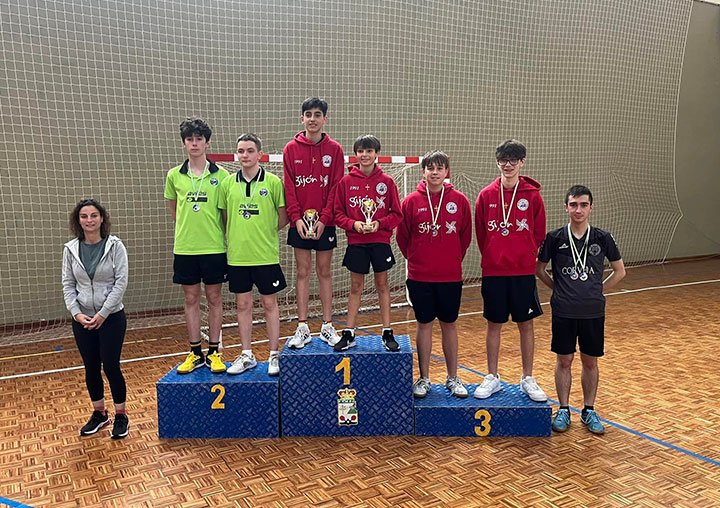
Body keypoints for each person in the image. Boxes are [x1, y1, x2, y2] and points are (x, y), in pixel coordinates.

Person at [536, 185, 625, 434]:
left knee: (590, 362)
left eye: (583, 204)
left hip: (593, 311)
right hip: (564, 310)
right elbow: (540, 270)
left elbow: (620, 271)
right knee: (564, 360)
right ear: (566, 207)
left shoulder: (602, 238)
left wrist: (598, 290)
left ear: (590, 208)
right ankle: (563, 409)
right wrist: (559, 289)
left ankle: (588, 410)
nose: (578, 209)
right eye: (573, 204)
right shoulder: (555, 239)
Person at [474, 139, 547, 402]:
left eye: (513, 160)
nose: (508, 165)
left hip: (522, 272)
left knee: (525, 325)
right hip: (494, 271)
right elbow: (481, 234)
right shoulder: (485, 195)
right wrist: (494, 256)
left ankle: (528, 377)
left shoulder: (532, 196)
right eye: (504, 160)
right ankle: (492, 376)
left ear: (522, 163)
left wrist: (523, 255)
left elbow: (539, 233)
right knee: (494, 325)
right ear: (497, 162)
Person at [397, 151, 472, 398]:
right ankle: (424, 378)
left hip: (450, 276)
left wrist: (451, 259)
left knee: (449, 325)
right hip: (420, 276)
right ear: (424, 172)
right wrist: (418, 259)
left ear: (447, 172)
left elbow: (465, 236)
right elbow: (402, 237)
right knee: (424, 324)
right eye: (431, 168)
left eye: (440, 168)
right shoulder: (410, 202)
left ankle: (453, 377)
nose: (435, 172)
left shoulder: (459, 201)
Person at [218, 134, 289, 376]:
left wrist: (263, 232)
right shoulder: (227, 184)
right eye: (241, 151)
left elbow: (283, 216)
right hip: (237, 256)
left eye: (250, 151)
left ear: (259, 154)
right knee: (243, 304)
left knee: (270, 303)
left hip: (265, 255)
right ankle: (247, 354)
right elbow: (225, 218)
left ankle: (274, 354)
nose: (245, 155)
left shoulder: (273, 182)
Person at [164, 118, 230, 375]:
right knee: (191, 299)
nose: (194, 143)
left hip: (213, 248)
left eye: (199, 139)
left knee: (214, 298)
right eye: (190, 139)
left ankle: (214, 351)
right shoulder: (174, 175)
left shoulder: (222, 176)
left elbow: (225, 216)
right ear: (184, 144)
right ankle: (194, 352)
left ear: (207, 142)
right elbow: (175, 212)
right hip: (185, 249)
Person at [62, 199, 130, 439]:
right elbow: (68, 285)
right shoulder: (70, 249)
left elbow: (120, 283)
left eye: (93, 215)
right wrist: (77, 314)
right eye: (84, 216)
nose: (89, 220)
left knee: (111, 365)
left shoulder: (115, 246)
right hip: (82, 320)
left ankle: (121, 415)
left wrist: (102, 314)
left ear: (102, 219)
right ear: (78, 221)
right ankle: (99, 414)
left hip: (111, 317)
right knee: (91, 367)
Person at [283, 97, 345, 349]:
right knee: (303, 272)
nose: (312, 118)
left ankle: (328, 325)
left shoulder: (336, 150)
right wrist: (296, 218)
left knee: (324, 272)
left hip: (324, 223)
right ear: (302, 119)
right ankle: (302, 326)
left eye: (317, 114)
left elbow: (336, 187)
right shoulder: (290, 149)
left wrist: (325, 220)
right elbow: (289, 187)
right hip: (299, 223)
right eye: (308, 114)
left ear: (325, 119)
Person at [333, 135, 403, 352]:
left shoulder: (387, 182)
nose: (365, 155)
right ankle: (349, 332)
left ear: (376, 154)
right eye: (361, 151)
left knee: (382, 285)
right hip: (357, 242)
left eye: (369, 151)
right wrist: (354, 225)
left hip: (379, 241)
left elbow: (397, 214)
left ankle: (387, 331)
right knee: (356, 287)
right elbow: (337, 214)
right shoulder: (346, 182)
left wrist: (380, 224)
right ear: (356, 154)